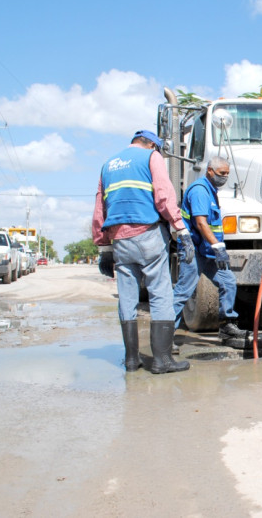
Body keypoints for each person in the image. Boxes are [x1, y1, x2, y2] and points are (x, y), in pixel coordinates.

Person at [92, 129, 194, 374]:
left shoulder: (108, 165)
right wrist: (181, 229)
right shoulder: (151, 157)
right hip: (148, 234)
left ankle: (131, 360)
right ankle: (162, 360)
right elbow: (163, 196)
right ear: (152, 145)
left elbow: (99, 208)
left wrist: (104, 247)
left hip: (120, 239)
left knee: (128, 298)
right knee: (160, 294)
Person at [180, 156, 249, 343]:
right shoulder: (200, 191)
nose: (225, 177)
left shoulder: (211, 191)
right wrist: (218, 248)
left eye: (227, 173)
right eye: (221, 173)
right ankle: (165, 335)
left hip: (208, 251)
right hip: (194, 250)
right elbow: (201, 223)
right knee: (184, 291)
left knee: (228, 282)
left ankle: (227, 325)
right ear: (210, 171)